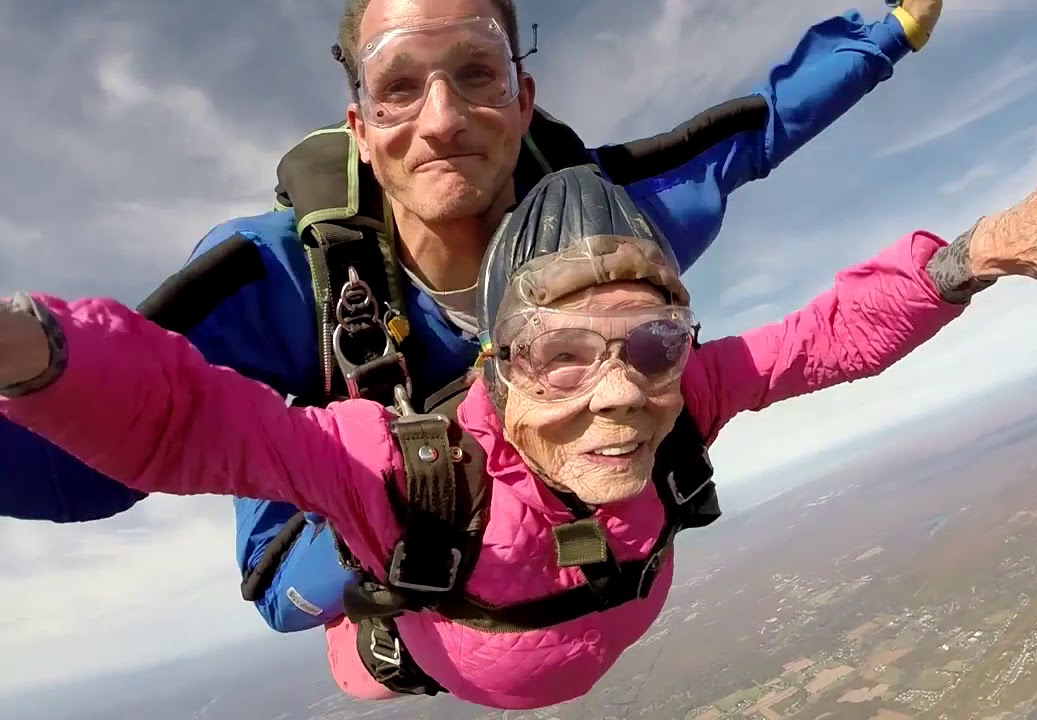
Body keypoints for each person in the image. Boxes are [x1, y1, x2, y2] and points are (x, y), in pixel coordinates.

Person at [0, 91, 1037, 708]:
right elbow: (183, 417)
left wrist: (983, 250)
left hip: (511, 619)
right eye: (565, 354)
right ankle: (309, 561)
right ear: (500, 364)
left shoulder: (686, 404)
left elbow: (825, 337)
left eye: (654, 344)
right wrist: (30, 350)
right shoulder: (392, 463)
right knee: (309, 588)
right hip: (403, 634)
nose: (621, 395)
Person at [0, 0, 943, 643]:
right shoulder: (286, 278)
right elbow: (97, 437)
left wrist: (890, 31)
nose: (443, 119)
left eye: (477, 74)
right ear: (360, 127)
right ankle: (390, 638)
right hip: (321, 512)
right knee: (418, 511)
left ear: (522, 100)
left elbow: (755, 131)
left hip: (503, 476)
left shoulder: (604, 225)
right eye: (399, 86)